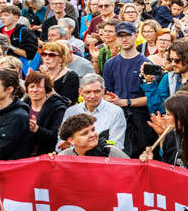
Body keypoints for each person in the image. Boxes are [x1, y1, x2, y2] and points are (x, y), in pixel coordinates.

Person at [102, 21, 151, 157]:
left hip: (140, 119)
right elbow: (106, 93)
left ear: (136, 35)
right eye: (120, 35)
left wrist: (125, 102)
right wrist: (111, 99)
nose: (124, 39)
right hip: (116, 117)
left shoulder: (145, 64)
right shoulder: (110, 64)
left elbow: (152, 98)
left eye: (127, 35)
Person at [62, 73, 128, 153]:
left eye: (97, 91)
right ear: (80, 92)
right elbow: (62, 143)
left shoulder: (116, 112)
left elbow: (116, 146)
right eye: (88, 92)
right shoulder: (71, 112)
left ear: (103, 91)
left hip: (103, 160)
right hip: (74, 159)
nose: (92, 96)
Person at [23, 71, 68, 155]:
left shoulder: (58, 108)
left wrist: (37, 129)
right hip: (23, 155)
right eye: (32, 86)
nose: (35, 90)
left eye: (39, 87)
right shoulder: (22, 106)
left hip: (46, 155)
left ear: (46, 89)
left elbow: (55, 138)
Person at [57, 113, 129, 158]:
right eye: (85, 133)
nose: (92, 135)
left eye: (93, 130)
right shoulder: (64, 157)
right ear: (71, 140)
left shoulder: (111, 152)